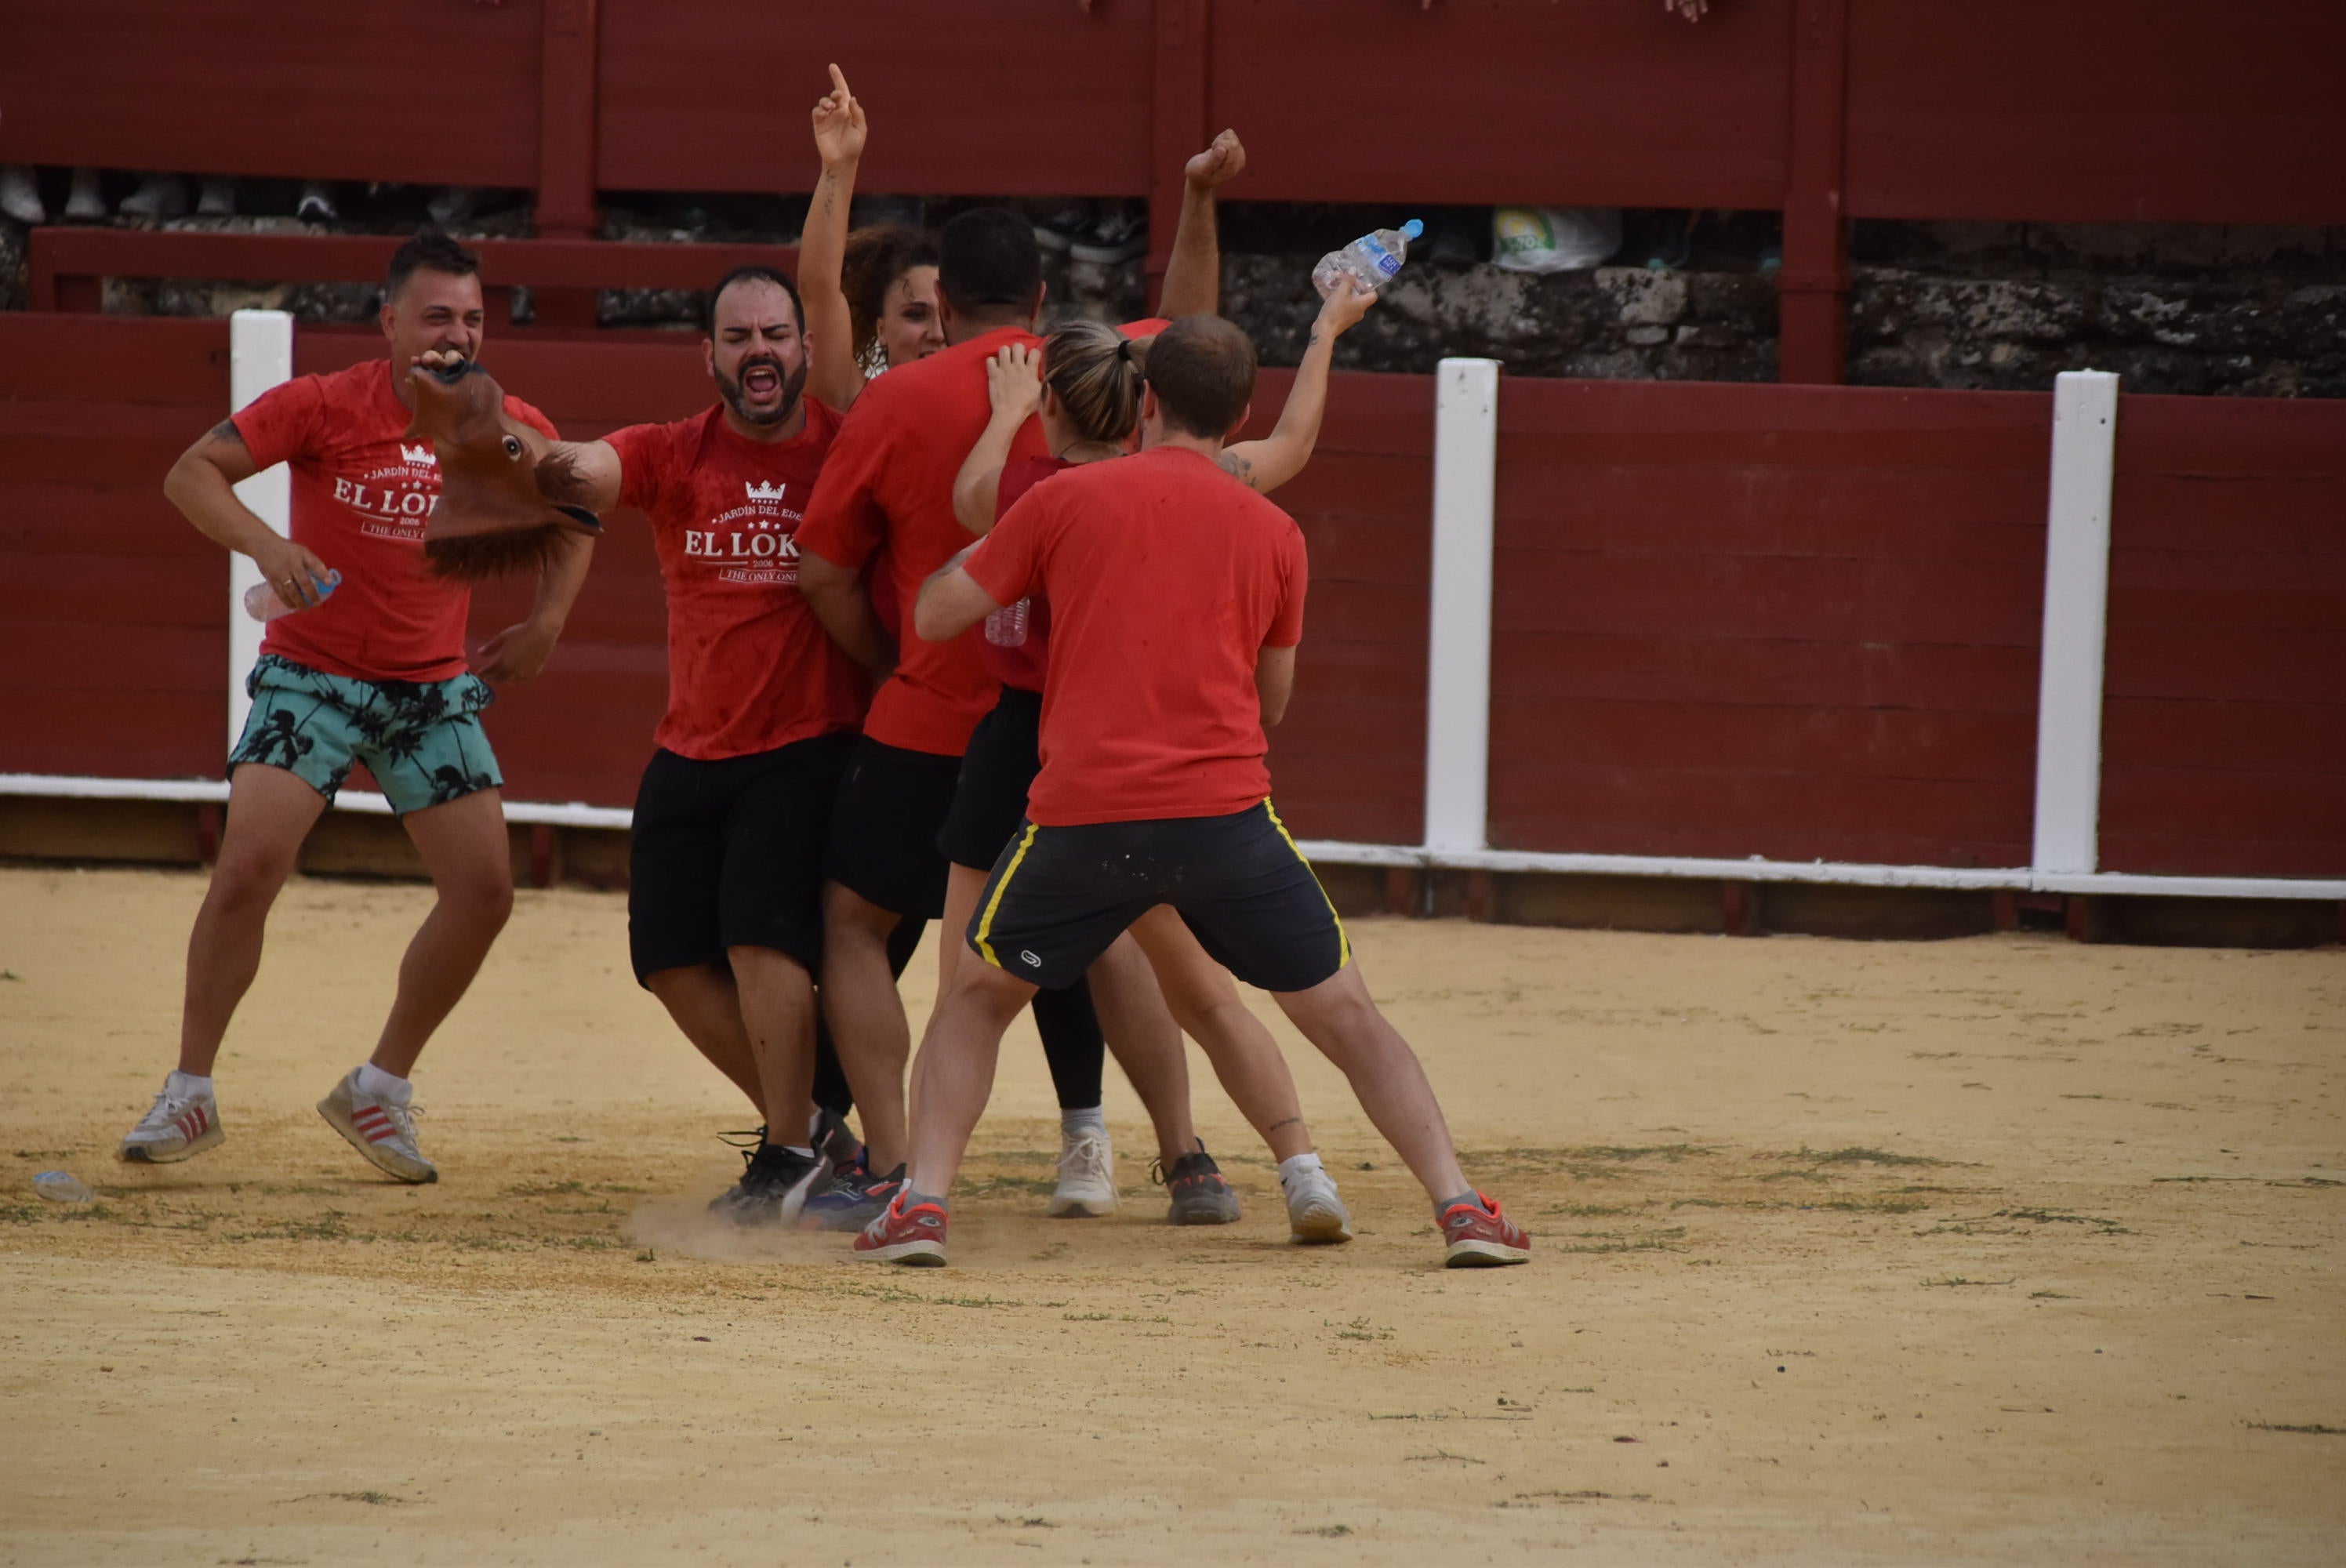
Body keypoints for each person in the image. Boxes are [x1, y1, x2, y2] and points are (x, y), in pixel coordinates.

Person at [858, 314, 1533, 1270]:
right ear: (1240, 411)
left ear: (1148, 400)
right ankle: (1458, 1203)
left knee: (973, 1000)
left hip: (1083, 814)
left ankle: (922, 1204)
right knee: (1346, 1013)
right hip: (1224, 818)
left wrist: (961, 559)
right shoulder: (1274, 530)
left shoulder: (1068, 502)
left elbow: (938, 610)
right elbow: (1274, 699)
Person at [794, 132, 1245, 1217]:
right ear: (1040, 297)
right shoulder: (1099, 366)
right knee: (1119, 934)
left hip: (929, 719)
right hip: (1064, 724)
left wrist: (890, 659)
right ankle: (1186, 1158)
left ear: (940, 301)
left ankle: (900, 1163)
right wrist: (1194, 197)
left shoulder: (896, 400)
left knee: (859, 926)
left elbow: (821, 569)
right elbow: (1193, 336)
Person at [118, 229, 593, 1182]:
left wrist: (546, 624)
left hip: (429, 689)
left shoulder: (502, 420)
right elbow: (190, 474)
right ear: (388, 322)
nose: (455, 335)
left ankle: (379, 1086)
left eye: (469, 317)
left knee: (485, 892)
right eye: (434, 317)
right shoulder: (326, 404)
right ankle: (189, 1089)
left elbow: (577, 506)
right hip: (315, 675)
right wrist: (266, 545)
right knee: (249, 864)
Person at [935, 282, 1379, 1240]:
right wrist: (1324, 332)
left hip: (1042, 742)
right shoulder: (1216, 484)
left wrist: (1006, 414)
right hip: (1167, 756)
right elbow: (1293, 444)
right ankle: (1242, 1160)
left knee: (968, 988)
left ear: (1055, 402)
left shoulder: (1036, 493)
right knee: (1191, 983)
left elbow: (968, 502)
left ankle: (919, 1180)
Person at [445, 264, 862, 1225]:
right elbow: (580, 469)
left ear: (803, 347)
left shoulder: (846, 449)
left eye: (775, 334)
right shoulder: (678, 450)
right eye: (738, 336)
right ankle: (813, 1129)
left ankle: (791, 1149)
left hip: (807, 740)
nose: (759, 350)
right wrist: (503, 437)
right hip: (693, 744)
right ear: (708, 355)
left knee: (760, 937)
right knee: (669, 957)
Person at [798, 64, 944, 405]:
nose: (937, 334)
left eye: (947, 317)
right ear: (881, 331)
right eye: (915, 314)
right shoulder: (857, 402)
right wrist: (839, 168)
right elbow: (818, 290)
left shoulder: (1000, 406)